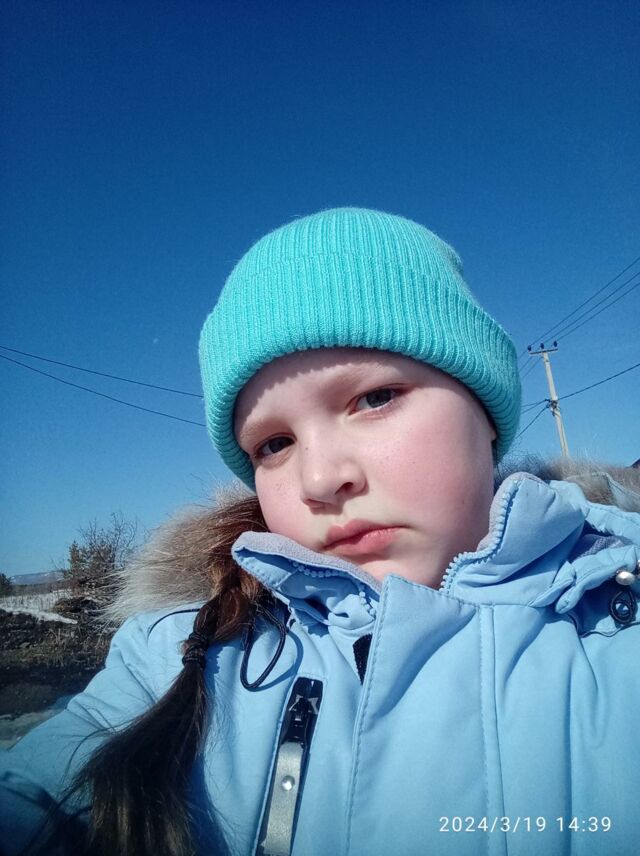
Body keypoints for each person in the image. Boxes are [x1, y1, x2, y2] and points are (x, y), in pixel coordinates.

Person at [1, 207, 639, 856]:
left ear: (485, 413)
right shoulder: (178, 657)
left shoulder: (621, 618)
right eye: (274, 444)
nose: (319, 479)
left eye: (374, 398)